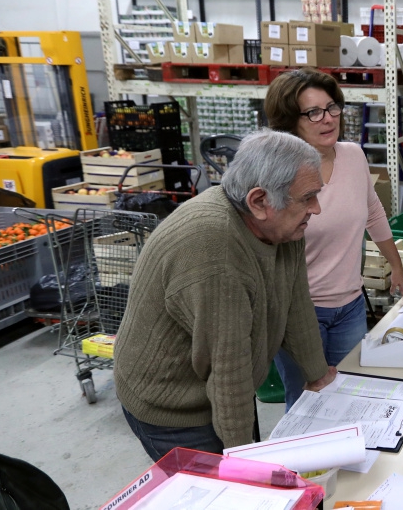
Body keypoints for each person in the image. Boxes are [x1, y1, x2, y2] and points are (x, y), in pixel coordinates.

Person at [114, 130, 337, 461]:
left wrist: (318, 376)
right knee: (225, 493)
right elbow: (227, 370)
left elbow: (297, 306)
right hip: (173, 407)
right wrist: (243, 458)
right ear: (259, 201)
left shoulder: (283, 228)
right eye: (307, 197)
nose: (316, 209)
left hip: (221, 383)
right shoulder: (213, 250)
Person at [264, 68, 403, 411]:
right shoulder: (279, 175)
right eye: (313, 112)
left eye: (332, 108)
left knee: (348, 395)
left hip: (350, 307)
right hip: (300, 313)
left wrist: (396, 267)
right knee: (304, 405)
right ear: (290, 121)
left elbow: (373, 212)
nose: (327, 119)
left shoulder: (353, 156)